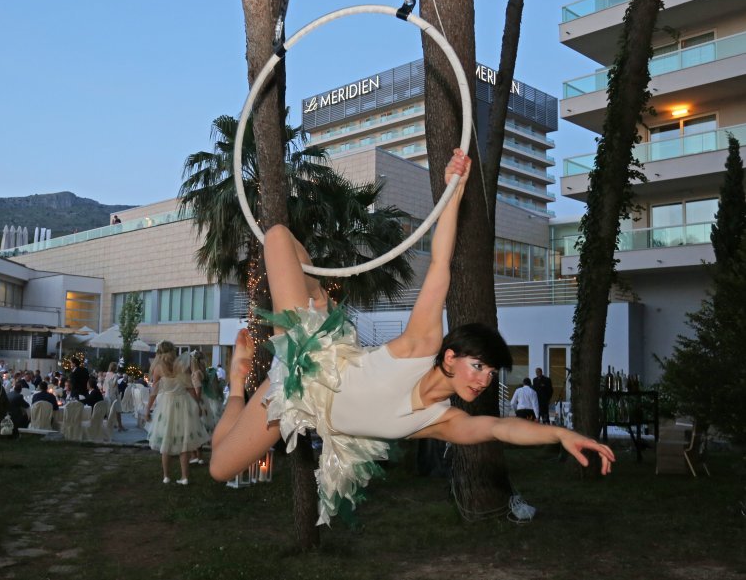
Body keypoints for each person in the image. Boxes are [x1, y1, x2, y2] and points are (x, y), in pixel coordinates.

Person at [208, 150, 615, 524]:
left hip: (297, 401)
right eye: (478, 367)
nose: (483, 380)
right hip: (309, 353)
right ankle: (314, 291)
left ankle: (239, 383)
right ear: (451, 357)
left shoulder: (443, 422)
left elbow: (500, 429)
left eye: (490, 375)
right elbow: (441, 262)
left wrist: (561, 433)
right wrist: (452, 192)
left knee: (219, 467)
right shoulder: (422, 345)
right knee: (278, 236)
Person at [145, 342, 209, 485]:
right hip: (184, 405)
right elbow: (190, 388)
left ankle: (166, 476)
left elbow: (153, 392)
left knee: (165, 443)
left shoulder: (158, 368)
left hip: (167, 406)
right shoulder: (182, 365)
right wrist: (197, 404)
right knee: (184, 442)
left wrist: (147, 409)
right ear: (173, 351)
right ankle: (185, 477)